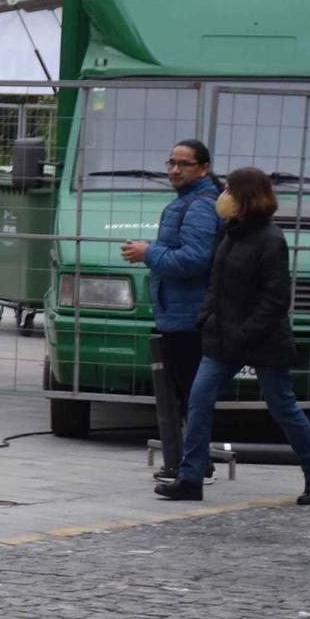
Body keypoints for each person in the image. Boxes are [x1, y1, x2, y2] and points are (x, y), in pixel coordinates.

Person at [157, 167, 310, 506]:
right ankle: (191, 475)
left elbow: (275, 299)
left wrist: (245, 332)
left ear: (246, 196)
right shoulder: (231, 232)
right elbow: (217, 280)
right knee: (199, 399)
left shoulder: (271, 239)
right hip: (222, 335)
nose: (223, 197)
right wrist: (207, 316)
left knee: (282, 405)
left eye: (229, 190)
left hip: (262, 339)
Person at [121, 140, 221, 481]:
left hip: (189, 316)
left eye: (185, 164)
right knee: (187, 393)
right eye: (171, 163)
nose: (175, 170)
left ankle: (192, 466)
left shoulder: (199, 207)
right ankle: (190, 463)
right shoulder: (187, 202)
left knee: (191, 394)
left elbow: (194, 259)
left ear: (204, 168)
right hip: (180, 312)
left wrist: (149, 253)